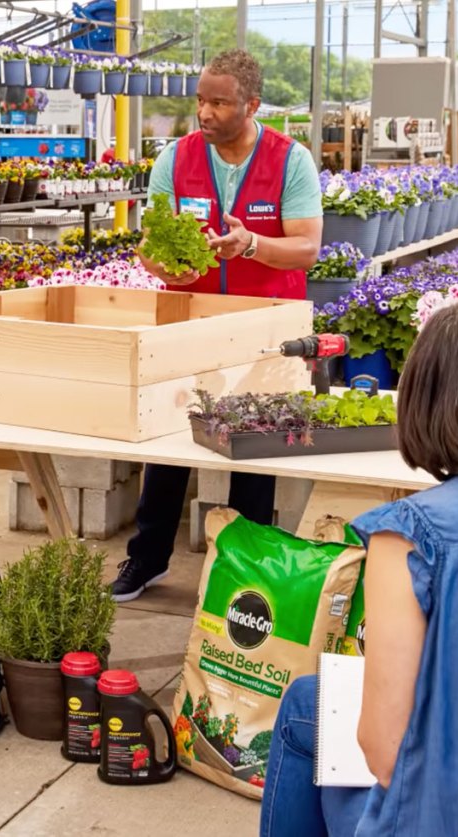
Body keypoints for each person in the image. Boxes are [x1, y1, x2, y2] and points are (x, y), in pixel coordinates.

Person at [261, 300, 458, 836]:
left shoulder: (410, 534)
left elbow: (385, 751)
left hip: (450, 816)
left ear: (422, 401)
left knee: (304, 714)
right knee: (309, 700)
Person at [115, 49, 323, 602]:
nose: (204, 112)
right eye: (201, 100)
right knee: (166, 438)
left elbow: (306, 248)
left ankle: (244, 570)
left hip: (264, 327)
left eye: (219, 102)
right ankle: (147, 559)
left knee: (253, 450)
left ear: (252, 104)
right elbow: (149, 248)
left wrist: (252, 244)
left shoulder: (290, 159)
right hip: (190, 322)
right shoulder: (176, 158)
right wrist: (167, 264)